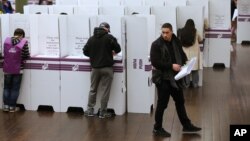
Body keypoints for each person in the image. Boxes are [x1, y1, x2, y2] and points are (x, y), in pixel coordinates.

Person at [150, 23, 201, 137]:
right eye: (163, 32)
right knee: (162, 104)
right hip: (163, 79)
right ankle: (157, 128)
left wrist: (185, 64)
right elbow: (155, 62)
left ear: (172, 32)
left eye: (167, 32)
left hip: (176, 77)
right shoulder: (156, 44)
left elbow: (181, 54)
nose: (165, 35)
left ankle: (186, 125)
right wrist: (171, 66)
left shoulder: (176, 41)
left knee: (180, 101)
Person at [83, 22, 121, 118]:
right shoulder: (109, 37)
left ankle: (90, 110)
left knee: (93, 89)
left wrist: (93, 56)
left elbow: (85, 51)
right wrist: (111, 53)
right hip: (107, 68)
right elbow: (118, 49)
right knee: (105, 91)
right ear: (107, 29)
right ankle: (103, 112)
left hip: (95, 69)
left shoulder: (91, 38)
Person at [2, 28, 30, 112]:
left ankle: (6, 106)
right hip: (18, 69)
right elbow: (26, 55)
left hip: (7, 68)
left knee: (6, 87)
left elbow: (5, 53)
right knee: (15, 88)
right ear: (22, 35)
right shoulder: (23, 42)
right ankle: (12, 107)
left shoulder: (7, 41)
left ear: (14, 33)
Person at [178, 19, 203, 88]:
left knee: (186, 70)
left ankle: (187, 84)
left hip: (185, 54)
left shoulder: (181, 31)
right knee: (194, 70)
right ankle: (195, 84)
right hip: (194, 54)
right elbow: (201, 39)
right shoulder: (196, 31)